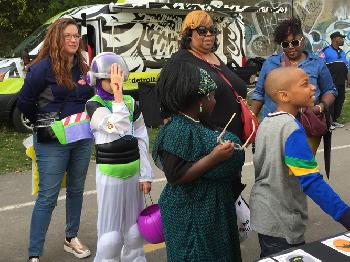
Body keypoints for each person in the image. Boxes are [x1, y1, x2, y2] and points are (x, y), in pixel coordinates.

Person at [249, 67, 350, 258]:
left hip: (264, 214)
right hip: (282, 220)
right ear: (284, 95)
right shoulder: (291, 129)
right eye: (305, 84)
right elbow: (311, 181)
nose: (313, 87)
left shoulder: (266, 123)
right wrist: (345, 215)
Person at [16, 18, 94, 262]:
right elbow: (24, 102)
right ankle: (34, 253)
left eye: (76, 36)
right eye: (68, 36)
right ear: (56, 39)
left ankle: (71, 237)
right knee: (48, 197)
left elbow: (89, 95)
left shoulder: (82, 67)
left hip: (81, 138)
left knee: (76, 190)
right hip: (52, 142)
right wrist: (44, 122)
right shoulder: (42, 68)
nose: (73, 40)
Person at [153, 62, 245, 261]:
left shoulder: (195, 123)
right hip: (192, 215)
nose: (214, 101)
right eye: (211, 96)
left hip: (210, 210)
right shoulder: (179, 128)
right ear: (200, 100)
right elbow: (175, 175)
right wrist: (214, 158)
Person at [164, 9, 247, 198]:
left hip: (230, 140)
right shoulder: (180, 61)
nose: (208, 34)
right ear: (188, 34)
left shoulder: (216, 58)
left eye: (212, 29)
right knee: (210, 195)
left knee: (230, 195)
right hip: (205, 144)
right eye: (202, 30)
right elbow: (168, 102)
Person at [85, 52, 153, 262]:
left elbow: (141, 139)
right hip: (110, 177)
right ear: (97, 80)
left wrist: (145, 175)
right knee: (110, 237)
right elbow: (119, 126)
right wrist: (117, 96)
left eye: (119, 78)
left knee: (134, 232)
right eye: (110, 79)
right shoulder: (93, 105)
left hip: (133, 174)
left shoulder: (132, 103)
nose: (117, 83)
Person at [251, 17, 337, 155]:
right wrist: (252, 119)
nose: (290, 47)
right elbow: (259, 94)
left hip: (306, 127)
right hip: (274, 127)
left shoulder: (317, 63)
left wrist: (320, 107)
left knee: (302, 170)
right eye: (285, 44)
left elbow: (330, 90)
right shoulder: (270, 63)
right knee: (274, 168)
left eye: (295, 42)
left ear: (302, 39)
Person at [320, 31, 350, 130]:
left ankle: (335, 120)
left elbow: (346, 67)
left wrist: (348, 80)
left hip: (341, 82)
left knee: (340, 100)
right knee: (331, 102)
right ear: (334, 39)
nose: (342, 40)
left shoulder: (342, 52)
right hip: (330, 82)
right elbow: (320, 66)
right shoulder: (325, 51)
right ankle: (329, 121)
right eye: (341, 38)